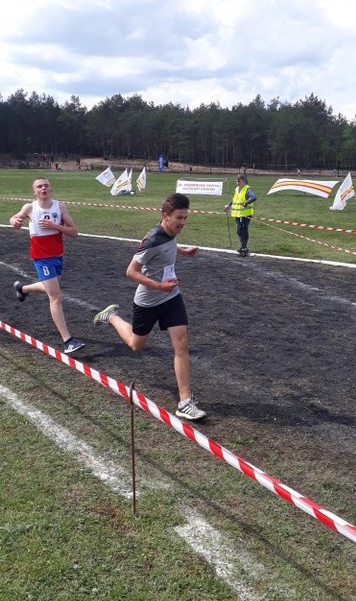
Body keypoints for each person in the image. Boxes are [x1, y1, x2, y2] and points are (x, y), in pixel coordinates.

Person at [93, 193, 206, 421]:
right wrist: (159, 286)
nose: (183, 222)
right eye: (179, 218)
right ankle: (112, 316)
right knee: (136, 345)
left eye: (185, 218)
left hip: (171, 296)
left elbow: (169, 245)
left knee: (181, 344)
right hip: (148, 301)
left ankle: (185, 402)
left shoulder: (170, 232)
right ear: (165, 216)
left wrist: (183, 251)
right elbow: (131, 271)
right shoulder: (152, 240)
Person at [9, 177, 85, 354]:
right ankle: (68, 341)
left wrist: (55, 226)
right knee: (56, 296)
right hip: (41, 258)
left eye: (46, 186)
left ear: (51, 189)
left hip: (57, 256)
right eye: (39, 186)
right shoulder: (30, 208)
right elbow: (14, 218)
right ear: (34, 192)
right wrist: (14, 222)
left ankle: (23, 289)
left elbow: (74, 232)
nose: (43, 188)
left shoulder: (60, 207)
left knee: (50, 287)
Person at [224, 174, 257, 256]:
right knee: (239, 231)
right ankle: (243, 246)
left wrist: (246, 203)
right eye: (236, 181)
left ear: (243, 181)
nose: (237, 183)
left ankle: (244, 248)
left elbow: (254, 197)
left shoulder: (247, 189)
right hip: (238, 214)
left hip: (245, 214)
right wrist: (228, 205)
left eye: (239, 181)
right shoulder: (237, 189)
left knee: (243, 230)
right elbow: (234, 199)